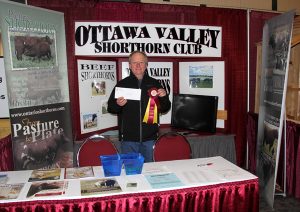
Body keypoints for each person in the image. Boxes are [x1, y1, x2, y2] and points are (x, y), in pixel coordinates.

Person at [107, 51, 171, 162]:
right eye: (134, 62)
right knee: (131, 173)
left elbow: (165, 108)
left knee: (150, 172)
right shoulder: (122, 84)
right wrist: (117, 104)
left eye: (141, 62)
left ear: (146, 65)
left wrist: (164, 97)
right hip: (128, 140)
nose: (138, 65)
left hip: (150, 139)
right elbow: (111, 108)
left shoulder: (155, 84)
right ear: (130, 65)